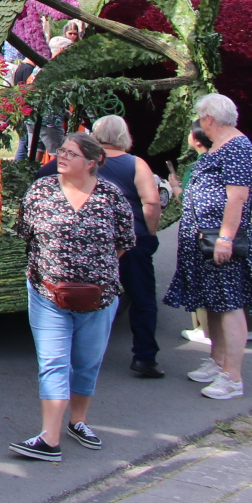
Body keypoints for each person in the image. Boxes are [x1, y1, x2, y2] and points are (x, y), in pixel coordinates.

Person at [10, 131, 136, 462]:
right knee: (53, 362)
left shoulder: (111, 197)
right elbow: (26, 234)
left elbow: (124, 242)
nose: (61, 157)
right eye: (61, 151)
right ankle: (50, 438)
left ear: (93, 163)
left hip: (98, 298)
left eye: (70, 154)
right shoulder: (40, 191)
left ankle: (78, 421)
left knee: (87, 361)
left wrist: (93, 274)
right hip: (47, 293)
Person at [38, 116, 163, 377]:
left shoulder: (80, 159)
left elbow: (41, 177)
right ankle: (145, 357)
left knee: (79, 295)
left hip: (87, 243)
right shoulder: (135, 164)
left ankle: (74, 358)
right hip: (132, 241)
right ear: (123, 136)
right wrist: (149, 232)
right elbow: (151, 202)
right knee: (141, 297)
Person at [164, 93, 252, 400]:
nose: (200, 124)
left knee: (230, 304)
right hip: (203, 237)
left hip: (219, 239)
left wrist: (225, 237)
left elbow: (237, 197)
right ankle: (218, 361)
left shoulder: (237, 147)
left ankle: (232, 377)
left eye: (201, 119)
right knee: (214, 303)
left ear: (209, 119)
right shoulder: (223, 145)